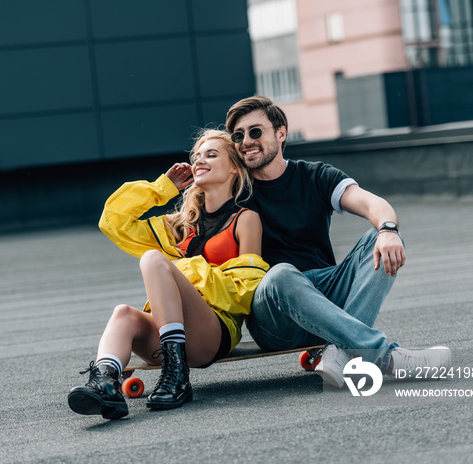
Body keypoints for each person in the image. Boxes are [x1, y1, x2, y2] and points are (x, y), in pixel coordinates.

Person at [224, 95, 452, 388]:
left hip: (326, 296)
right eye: (238, 136)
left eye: (255, 131)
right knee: (280, 273)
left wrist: (388, 229)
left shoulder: (314, 176)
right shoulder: (235, 189)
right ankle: (383, 358)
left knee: (378, 240)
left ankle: (340, 355)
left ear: (281, 133)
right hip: (273, 313)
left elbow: (373, 204)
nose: (246, 141)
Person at [67, 129, 268, 419]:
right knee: (123, 313)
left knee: (152, 259)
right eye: (197, 156)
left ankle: (177, 375)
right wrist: (164, 188)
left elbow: (248, 286)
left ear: (234, 168)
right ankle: (105, 385)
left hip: (211, 334)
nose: (200, 160)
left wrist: (186, 271)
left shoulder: (245, 219)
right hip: (168, 338)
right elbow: (112, 221)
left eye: (211, 155)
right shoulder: (178, 226)